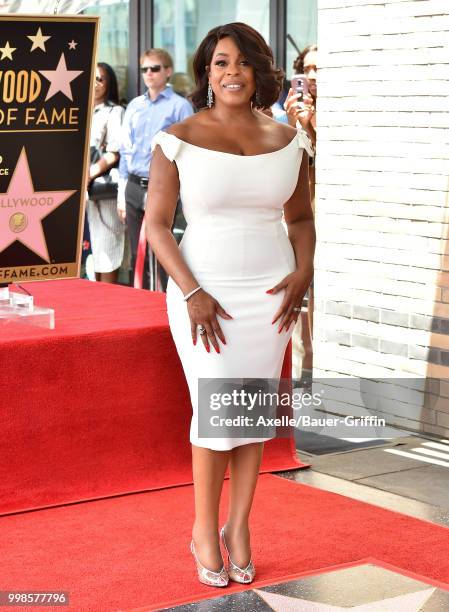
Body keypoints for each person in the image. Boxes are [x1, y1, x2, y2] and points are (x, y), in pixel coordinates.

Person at [146, 23, 315, 587]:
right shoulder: (177, 137)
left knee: (248, 417)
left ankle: (238, 528)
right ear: (206, 75)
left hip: (271, 297)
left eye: (242, 62)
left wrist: (304, 272)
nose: (232, 72)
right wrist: (191, 292)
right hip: (204, 294)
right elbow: (157, 227)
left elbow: (301, 220)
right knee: (216, 412)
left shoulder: (289, 140)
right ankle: (202, 528)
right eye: (220, 63)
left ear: (259, 71)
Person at [118, 48, 193, 289]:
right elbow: (125, 150)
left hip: (163, 187)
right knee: (137, 252)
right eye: (144, 69)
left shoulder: (180, 106)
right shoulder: (134, 106)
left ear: (168, 71)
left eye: (155, 68)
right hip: (133, 184)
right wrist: (121, 192)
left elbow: (188, 150)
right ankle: (142, 306)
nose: (149, 74)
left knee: (163, 251)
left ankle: (166, 307)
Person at [284, 44, 317, 376]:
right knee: (296, 289)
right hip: (298, 214)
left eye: (318, 70)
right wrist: (293, 126)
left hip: (325, 215)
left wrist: (314, 125)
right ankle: (298, 370)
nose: (310, 77)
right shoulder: (295, 112)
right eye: (306, 70)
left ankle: (316, 367)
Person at [86, 62, 125, 283]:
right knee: (88, 250)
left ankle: (107, 298)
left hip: (101, 187)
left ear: (109, 83)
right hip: (78, 190)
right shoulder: (75, 110)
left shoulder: (114, 111)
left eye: (101, 79)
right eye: (93, 77)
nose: (96, 83)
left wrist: (89, 174)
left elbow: (115, 151)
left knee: (107, 245)